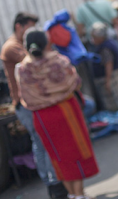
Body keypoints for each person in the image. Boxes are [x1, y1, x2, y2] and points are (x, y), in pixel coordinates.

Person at [16, 29, 99, 199]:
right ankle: (79, 194)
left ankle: (72, 195)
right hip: (66, 110)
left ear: (25, 46)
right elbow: (75, 82)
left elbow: (24, 97)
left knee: (58, 156)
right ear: (46, 43)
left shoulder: (22, 69)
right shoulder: (59, 61)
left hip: (42, 117)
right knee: (76, 151)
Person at [0, 13, 67, 199]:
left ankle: (55, 182)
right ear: (18, 27)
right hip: (26, 105)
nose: (31, 33)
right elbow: (35, 62)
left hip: (33, 103)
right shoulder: (12, 47)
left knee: (44, 143)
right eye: (29, 29)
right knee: (42, 143)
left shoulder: (20, 44)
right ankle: (53, 183)